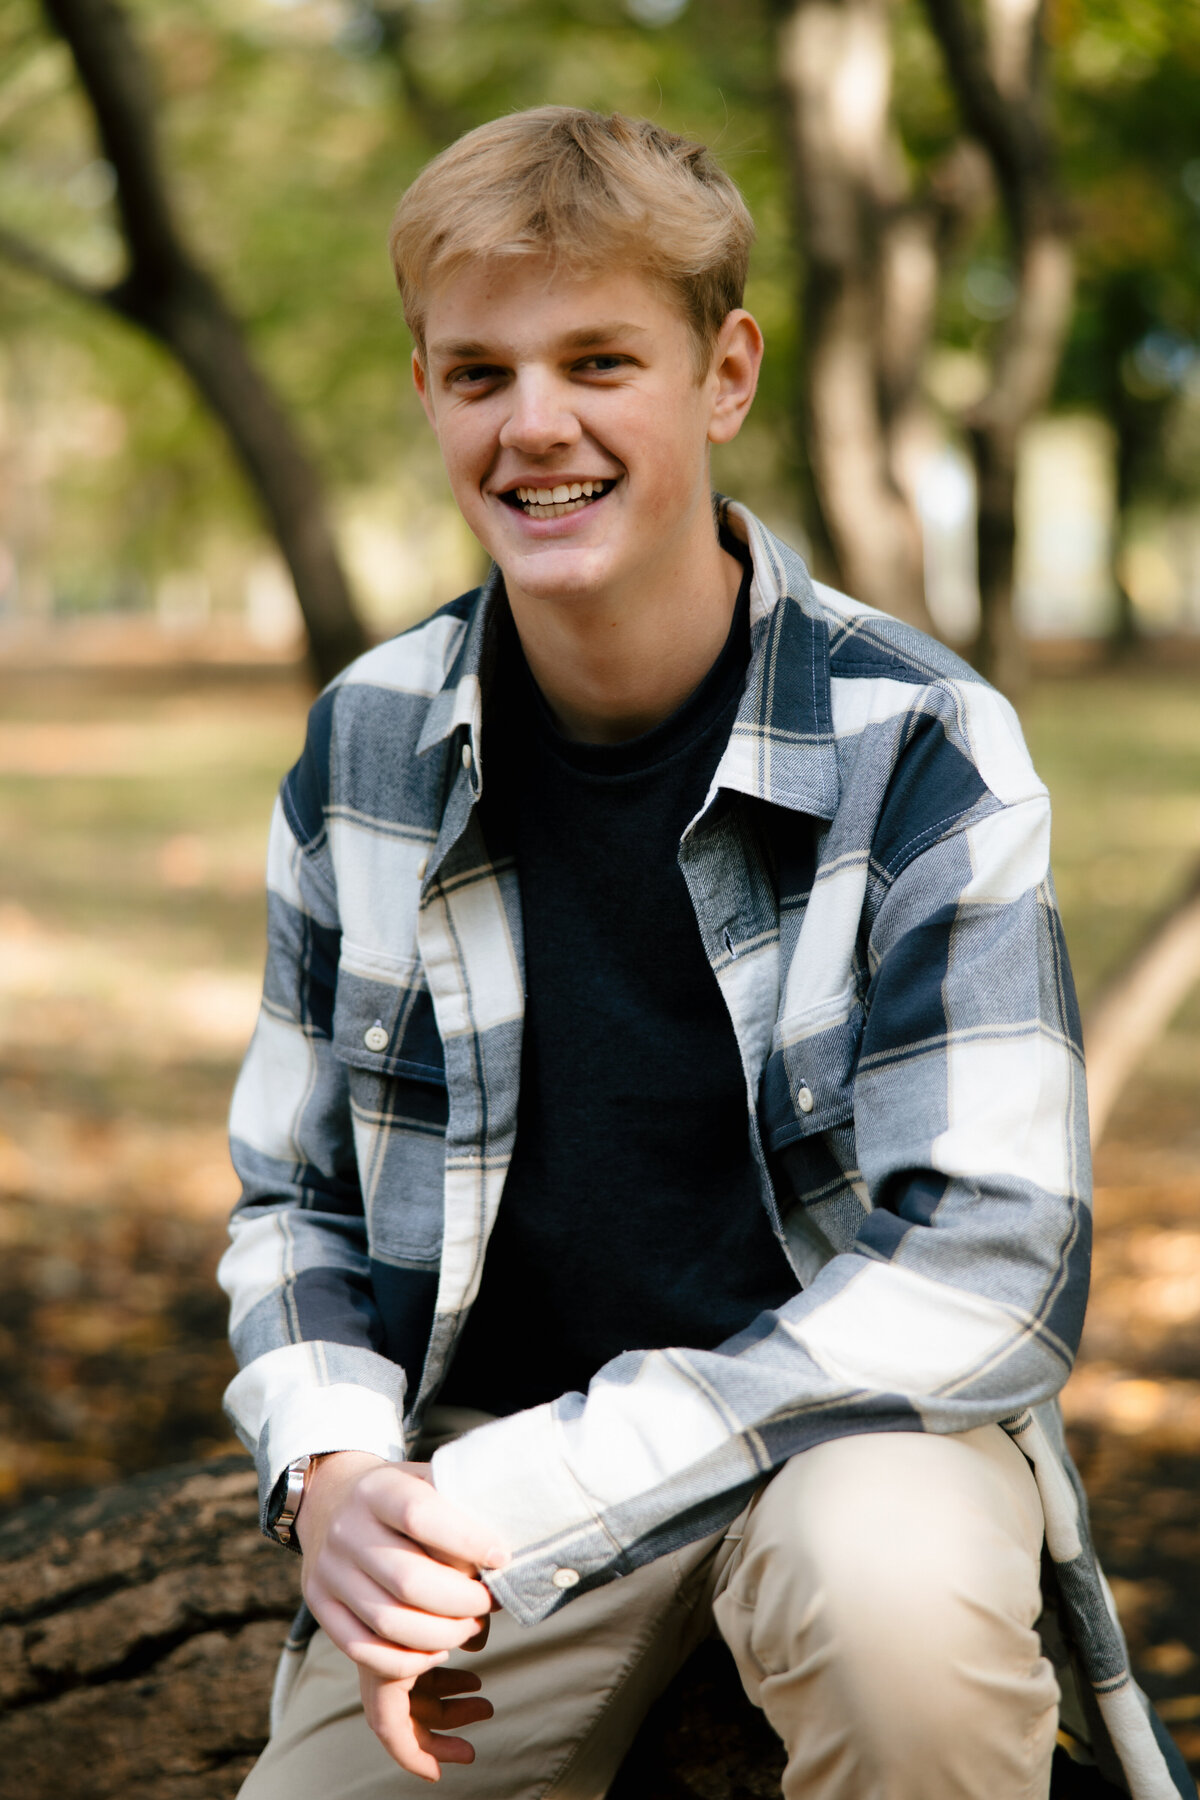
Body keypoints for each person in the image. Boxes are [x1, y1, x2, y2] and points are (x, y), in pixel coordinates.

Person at [221, 107, 1189, 1800]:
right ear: (429, 394)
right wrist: (331, 1462)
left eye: (601, 360)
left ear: (725, 374)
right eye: (477, 374)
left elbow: (992, 1262)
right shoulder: (364, 742)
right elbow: (290, 1196)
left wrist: (537, 1483)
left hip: (849, 1444)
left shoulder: (920, 742)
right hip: (483, 1461)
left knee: (897, 1621)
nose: (538, 426)